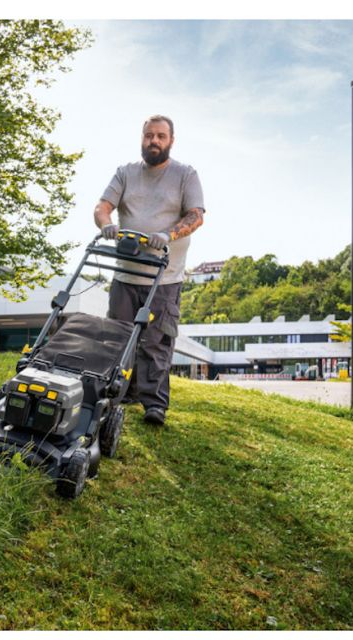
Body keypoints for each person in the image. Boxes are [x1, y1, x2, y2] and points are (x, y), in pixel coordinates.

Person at [94, 114, 205, 426]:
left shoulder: (185, 174)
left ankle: (154, 404)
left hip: (164, 277)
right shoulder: (126, 173)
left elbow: (196, 216)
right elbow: (102, 206)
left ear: (170, 141)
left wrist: (168, 236)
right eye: (148, 136)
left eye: (160, 136)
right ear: (141, 138)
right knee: (117, 338)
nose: (153, 141)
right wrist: (107, 225)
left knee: (156, 340)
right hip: (126, 275)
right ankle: (118, 393)